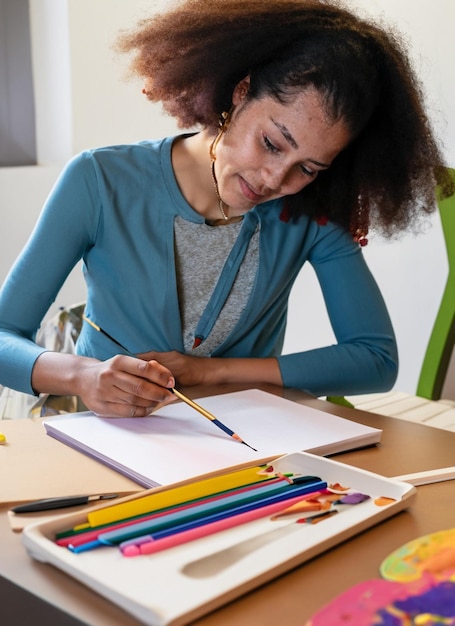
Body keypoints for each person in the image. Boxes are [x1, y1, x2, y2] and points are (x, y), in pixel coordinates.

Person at [0, 0, 452, 418]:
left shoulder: (312, 213)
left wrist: (212, 372)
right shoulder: (100, 180)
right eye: (272, 143)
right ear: (240, 92)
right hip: (102, 438)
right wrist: (83, 375)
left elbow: (375, 359)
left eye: (308, 168)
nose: (276, 180)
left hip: (240, 452)